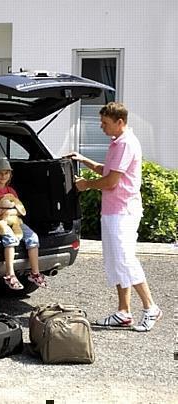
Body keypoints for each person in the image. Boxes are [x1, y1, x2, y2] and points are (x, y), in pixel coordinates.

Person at [68, 102, 162, 332]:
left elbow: (111, 182)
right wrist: (85, 160)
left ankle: (151, 308)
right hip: (112, 211)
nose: (101, 127)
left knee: (126, 260)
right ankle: (123, 312)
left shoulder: (126, 144)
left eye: (105, 123)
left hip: (123, 212)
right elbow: (107, 171)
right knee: (116, 262)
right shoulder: (117, 143)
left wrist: (86, 185)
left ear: (120, 122)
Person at [0, 158, 47, 290]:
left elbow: (19, 210)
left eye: (6, 173)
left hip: (14, 221)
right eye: (0, 173)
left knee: (33, 237)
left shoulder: (11, 191)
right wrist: (8, 211)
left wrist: (10, 212)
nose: (3, 176)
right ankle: (10, 275)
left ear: (10, 175)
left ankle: (35, 273)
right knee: (10, 238)